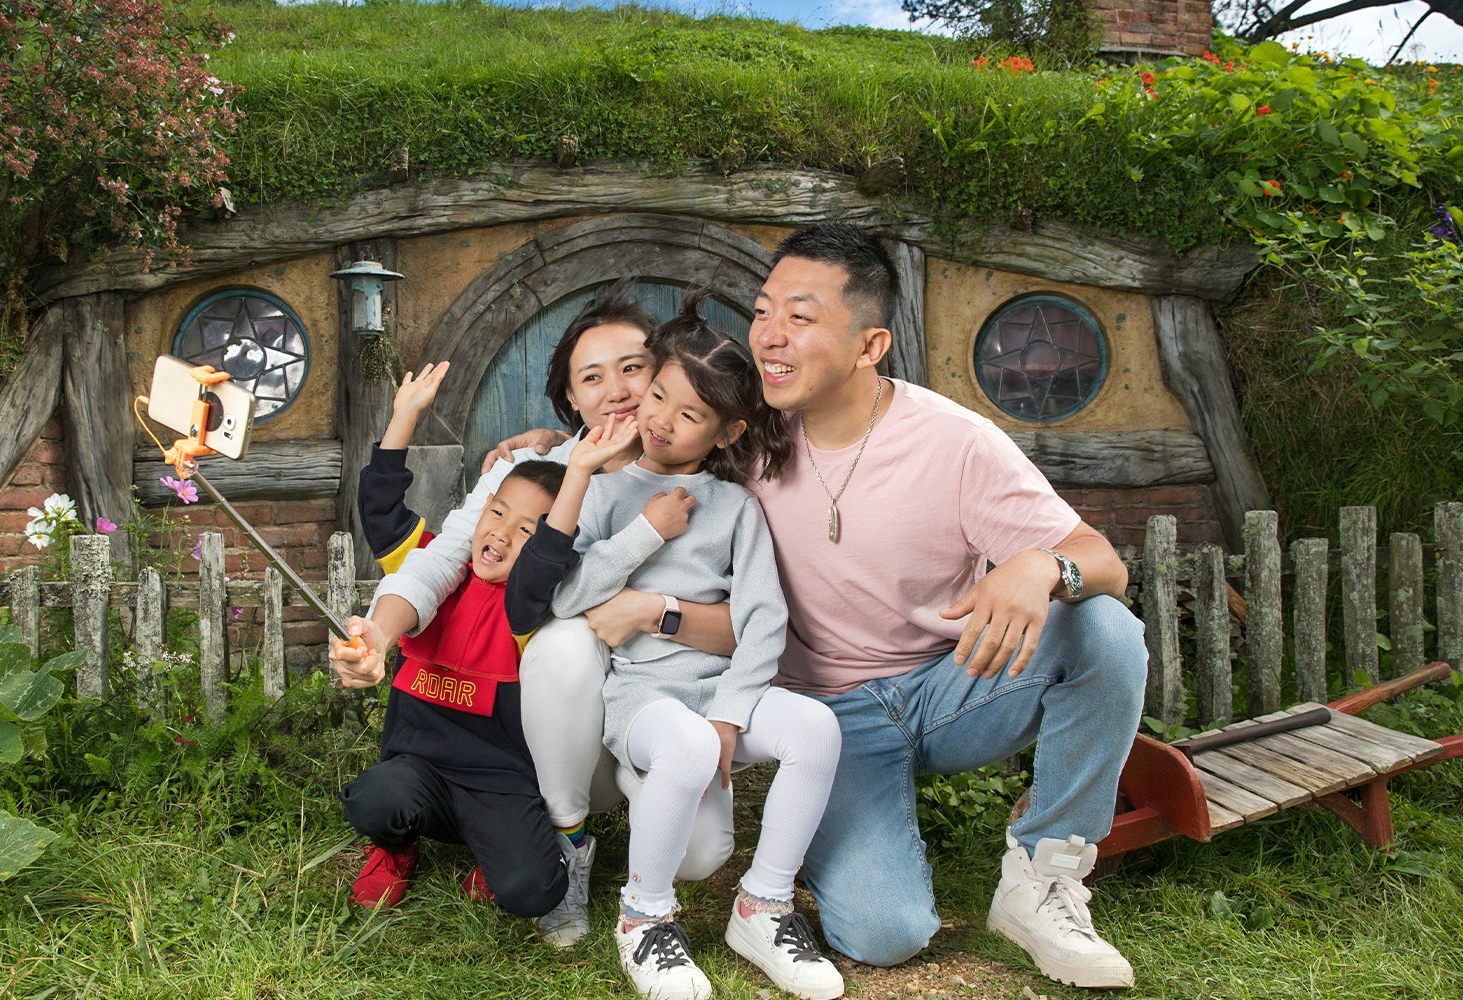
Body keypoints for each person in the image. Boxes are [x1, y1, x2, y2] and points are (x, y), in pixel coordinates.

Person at [746, 223, 1148, 990]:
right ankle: (852, 845)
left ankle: (1043, 873)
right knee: (885, 935)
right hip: (829, 722)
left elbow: (1104, 563)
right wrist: (543, 449)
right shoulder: (746, 434)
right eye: (763, 311)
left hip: (951, 688)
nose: (769, 335)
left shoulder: (955, 441)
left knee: (1102, 627)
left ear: (870, 346)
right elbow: (647, 435)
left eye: (800, 317)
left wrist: (1040, 565)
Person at [349, 283, 740, 946]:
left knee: (700, 856)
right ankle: (565, 837)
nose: (617, 390)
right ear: (570, 397)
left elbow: (752, 622)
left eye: (634, 368)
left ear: (664, 375)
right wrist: (381, 632)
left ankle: (560, 820)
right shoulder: (535, 471)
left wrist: (655, 611)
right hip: (549, 728)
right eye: (592, 377)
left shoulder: (712, 478)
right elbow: (444, 559)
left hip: (660, 699)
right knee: (563, 640)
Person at [552, 296, 844, 1000]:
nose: (660, 419)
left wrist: (731, 713)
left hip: (720, 689)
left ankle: (763, 905)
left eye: (689, 415)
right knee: (684, 746)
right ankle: (643, 919)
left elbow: (764, 619)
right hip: (644, 697)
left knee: (816, 728)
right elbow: (567, 597)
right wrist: (647, 532)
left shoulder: (736, 507)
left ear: (726, 433)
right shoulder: (604, 489)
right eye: (658, 395)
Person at [332, 361, 640, 922]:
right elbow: (381, 513)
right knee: (374, 798)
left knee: (532, 891)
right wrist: (404, 417)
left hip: (499, 785)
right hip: (418, 770)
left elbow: (549, 556)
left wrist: (576, 467)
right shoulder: (434, 572)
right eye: (496, 512)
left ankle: (496, 852)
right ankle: (396, 847)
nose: (500, 532)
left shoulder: (528, 608)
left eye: (525, 530)